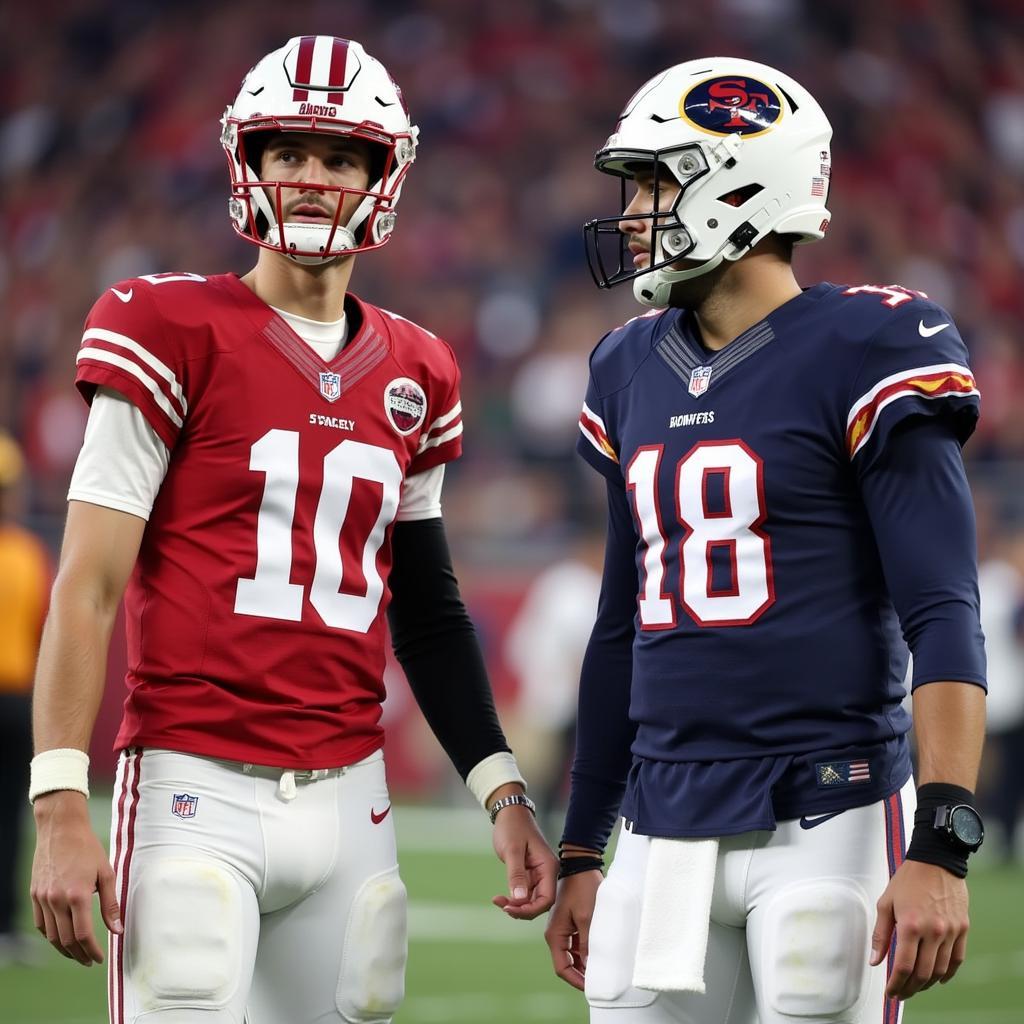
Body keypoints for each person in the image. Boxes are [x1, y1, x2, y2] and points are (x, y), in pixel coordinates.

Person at [28, 36, 556, 1024]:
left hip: (352, 794)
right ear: (248, 163)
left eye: (339, 155)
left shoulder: (419, 367)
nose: (311, 176)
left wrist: (499, 788)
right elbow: (88, 584)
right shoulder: (164, 327)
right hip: (195, 781)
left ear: (380, 175)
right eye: (288, 152)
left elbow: (429, 610)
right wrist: (60, 799)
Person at [544, 58, 988, 1024]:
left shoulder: (871, 344)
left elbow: (944, 609)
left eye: (656, 183)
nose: (632, 214)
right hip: (659, 823)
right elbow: (623, 626)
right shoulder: (627, 365)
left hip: (826, 809)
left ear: (739, 189)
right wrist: (584, 845)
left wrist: (943, 840)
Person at [0, 432, 50, 967]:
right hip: (15, 697)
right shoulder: (27, 554)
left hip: (14, 696)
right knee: (10, 813)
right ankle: (4, 925)